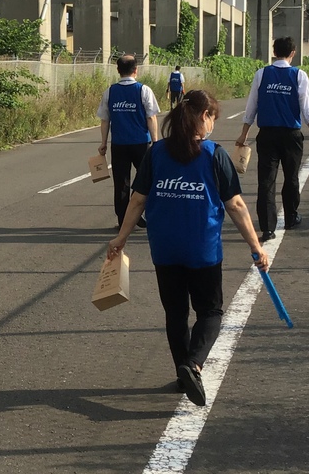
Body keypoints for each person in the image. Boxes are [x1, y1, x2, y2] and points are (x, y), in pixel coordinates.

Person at [107, 90, 270, 407]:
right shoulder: (213, 154)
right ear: (205, 116)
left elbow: (138, 199)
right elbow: (235, 205)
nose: (213, 125)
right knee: (210, 311)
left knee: (176, 312)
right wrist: (256, 246)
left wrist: (121, 238)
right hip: (202, 249)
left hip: (165, 248)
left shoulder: (156, 153)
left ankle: (183, 374)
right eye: (213, 118)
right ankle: (193, 365)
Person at [234, 37, 309, 242]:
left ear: (274, 52)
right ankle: (291, 217)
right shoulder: (299, 75)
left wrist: (244, 133)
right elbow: (308, 110)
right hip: (291, 135)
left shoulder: (261, 74)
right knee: (291, 177)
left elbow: (251, 106)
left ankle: (267, 228)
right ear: (293, 53)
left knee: (266, 181)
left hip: (266, 134)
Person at [98, 54, 161, 229]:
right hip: (141, 143)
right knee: (146, 180)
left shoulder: (110, 91)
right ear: (136, 70)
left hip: (118, 144)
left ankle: (123, 219)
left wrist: (103, 143)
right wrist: (155, 142)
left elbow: (105, 120)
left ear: (118, 70)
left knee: (121, 183)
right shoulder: (144, 90)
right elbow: (151, 117)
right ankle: (137, 214)